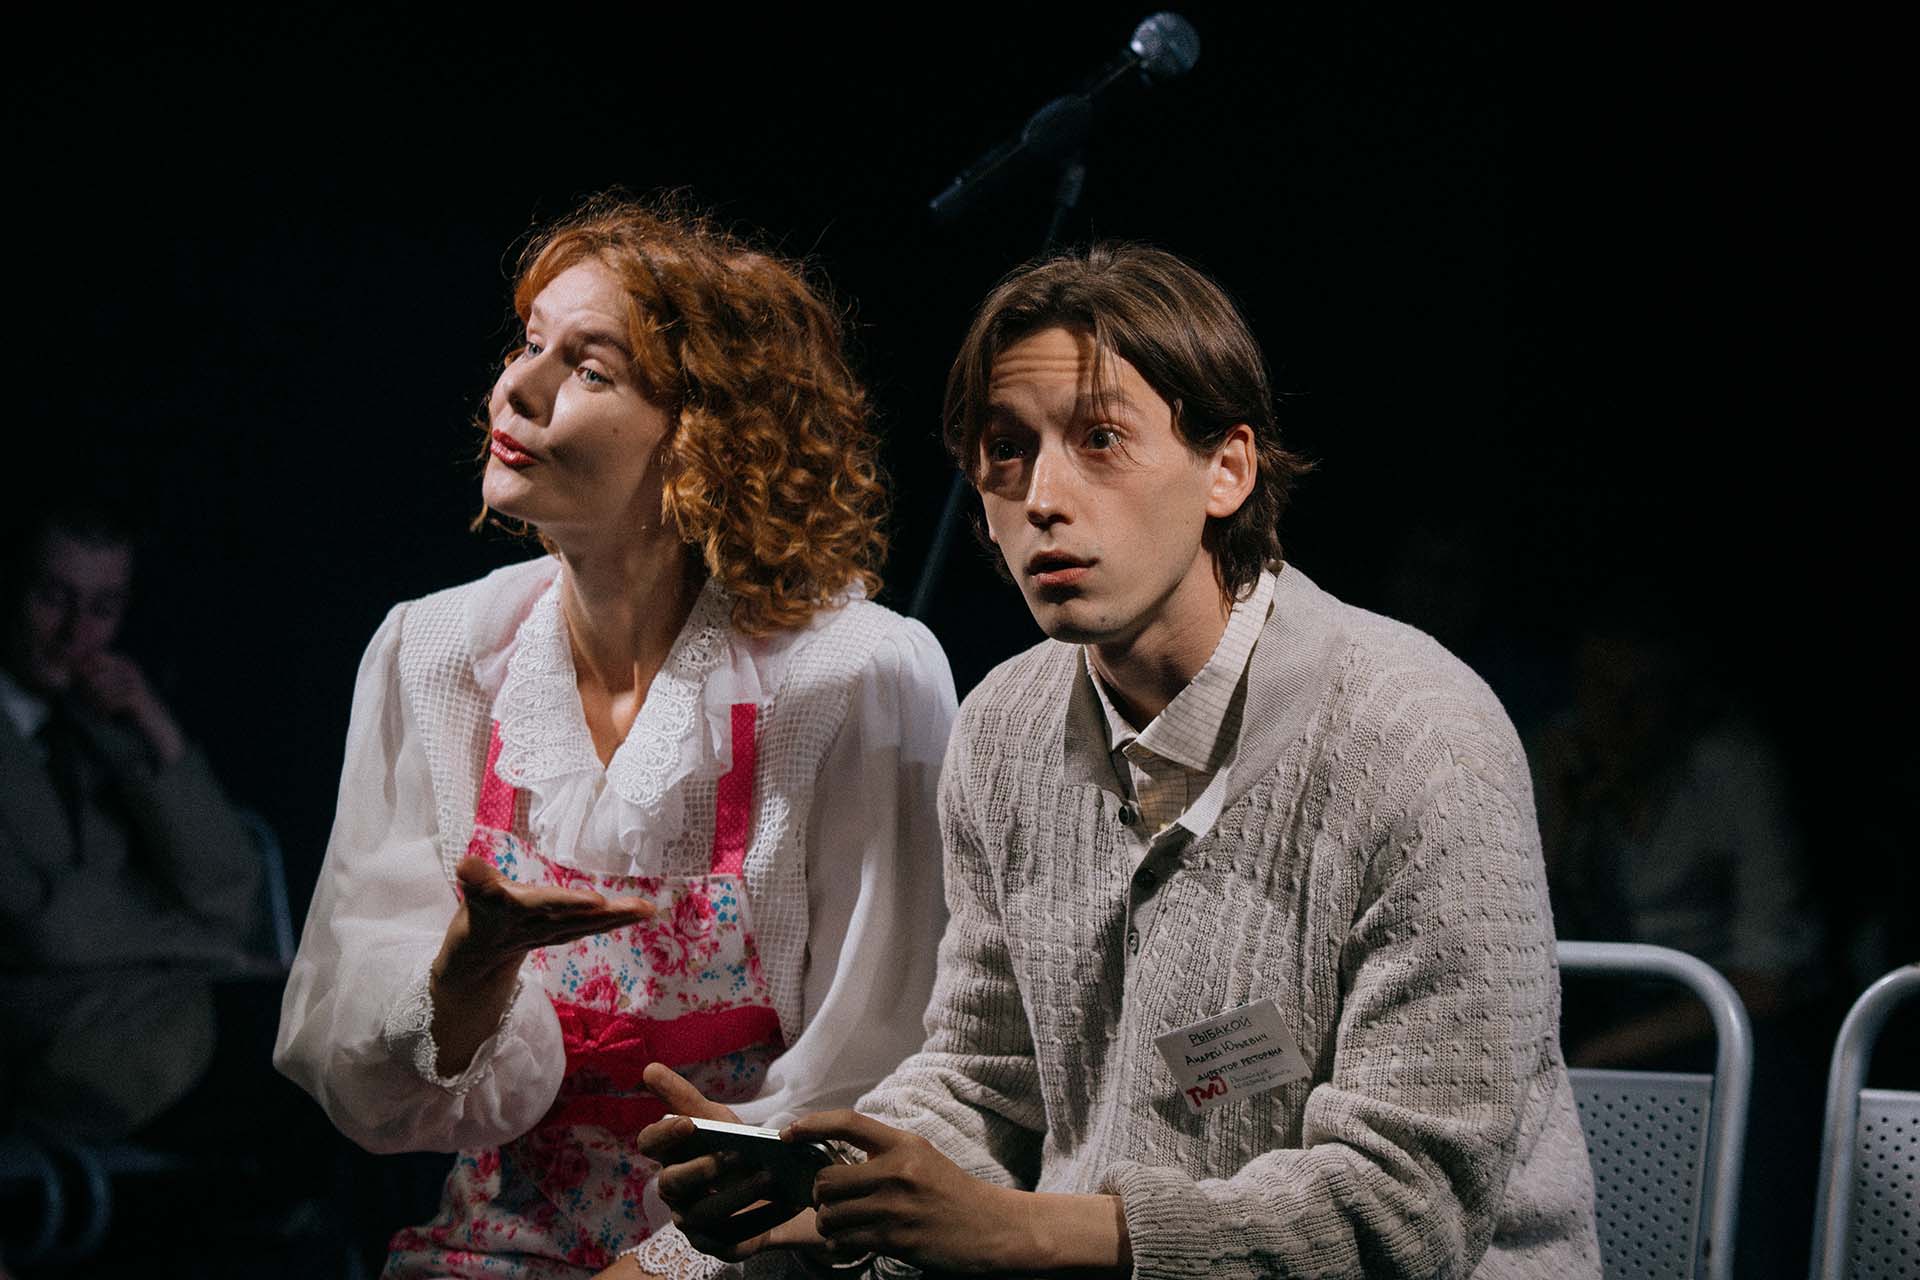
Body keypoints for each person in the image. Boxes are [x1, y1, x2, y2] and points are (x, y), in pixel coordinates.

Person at [641, 244, 1603, 1278]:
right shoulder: (1005, 725)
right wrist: (823, 1185)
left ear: (1227, 469)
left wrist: (1018, 1230)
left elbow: (1407, 1207)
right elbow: (987, 1076)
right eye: (1006, 451)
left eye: (1100, 438)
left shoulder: (1418, 735)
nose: (1043, 496)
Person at [273, 197, 956, 1279]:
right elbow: (358, 1069)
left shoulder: (850, 678)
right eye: (528, 343)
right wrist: (470, 968)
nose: (518, 387)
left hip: (755, 1253)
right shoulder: (440, 653)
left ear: (705, 439)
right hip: (496, 1246)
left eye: (589, 369)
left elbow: (882, 1079)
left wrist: (667, 1265)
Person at [0, 502, 260, 1141]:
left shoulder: (103, 729)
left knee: (350, 1057)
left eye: (103, 608)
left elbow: (230, 896)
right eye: (52, 598)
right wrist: (199, 946)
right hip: (38, 1033)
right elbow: (38, 927)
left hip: (135, 1014)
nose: (75, 634)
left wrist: (154, 725)